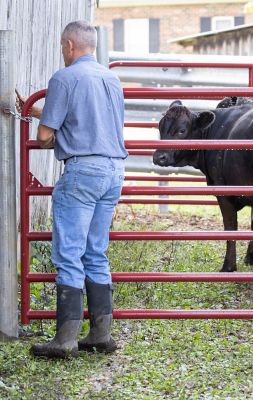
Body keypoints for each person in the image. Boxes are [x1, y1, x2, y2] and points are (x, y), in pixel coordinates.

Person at [16, 20, 128, 358]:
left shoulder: (64, 78)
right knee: (96, 252)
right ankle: (100, 335)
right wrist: (39, 111)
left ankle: (64, 340)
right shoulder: (111, 78)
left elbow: (45, 136)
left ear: (68, 45)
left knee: (69, 253)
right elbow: (87, 122)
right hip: (114, 171)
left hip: (82, 171)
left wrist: (40, 121)